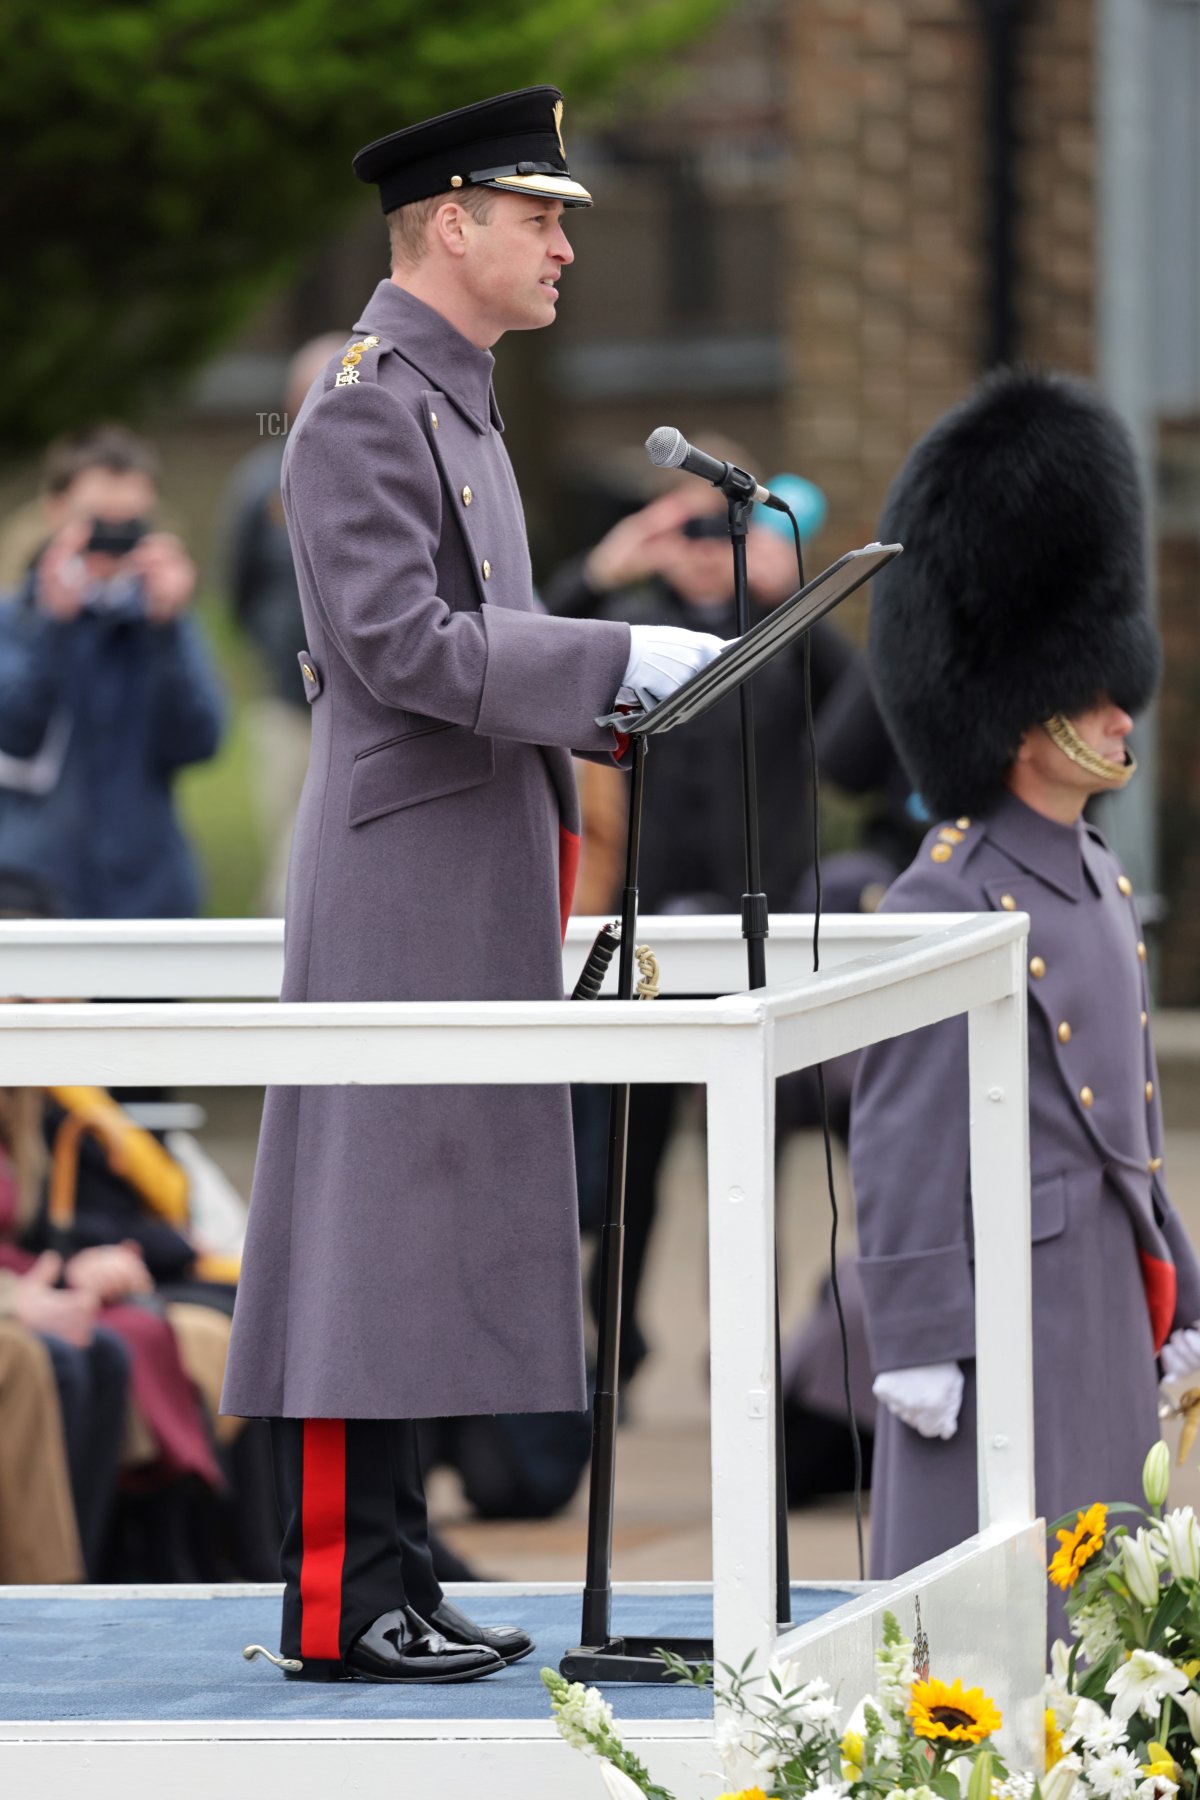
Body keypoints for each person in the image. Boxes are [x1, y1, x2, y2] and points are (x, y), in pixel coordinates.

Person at [220, 86, 724, 1685]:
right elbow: (401, 650)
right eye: (540, 215)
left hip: (465, 868)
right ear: (453, 219)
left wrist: (613, 694)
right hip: (399, 880)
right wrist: (610, 658)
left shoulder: (456, 395)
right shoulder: (371, 402)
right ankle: (335, 1598)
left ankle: (398, 1569)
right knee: (362, 1233)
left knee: (425, 1234)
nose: (567, 244)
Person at [849, 370, 1200, 1612]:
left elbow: (1132, 1131)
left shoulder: (1096, 875)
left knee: (1109, 1599)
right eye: (1084, 690)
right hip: (1001, 1314)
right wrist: (916, 1337)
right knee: (992, 1618)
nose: (1120, 710)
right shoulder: (949, 898)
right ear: (1008, 711)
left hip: (1103, 1290)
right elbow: (897, 1139)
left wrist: (1181, 1289)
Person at [543, 465, 853, 1385]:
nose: (703, 557)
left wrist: (788, 600)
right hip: (652, 929)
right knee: (632, 1147)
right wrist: (605, 570)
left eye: (719, 534)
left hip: (763, 921)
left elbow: (862, 712)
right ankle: (612, 1342)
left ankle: (749, 1340)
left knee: (752, 1148)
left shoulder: (784, 637)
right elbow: (530, 652)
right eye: (683, 536)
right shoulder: (628, 630)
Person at [0, 426, 224, 919]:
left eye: (130, 526)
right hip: (32, 891)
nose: (111, 544)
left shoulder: (162, 622)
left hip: (146, 890)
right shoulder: (15, 619)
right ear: (55, 511)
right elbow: (12, 736)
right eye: (98, 524)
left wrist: (165, 632)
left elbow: (199, 743)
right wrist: (54, 628)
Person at [220, 335, 347, 913]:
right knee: (287, 845)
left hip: (359, 705)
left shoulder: (379, 473)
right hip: (286, 703)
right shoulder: (258, 482)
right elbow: (237, 587)